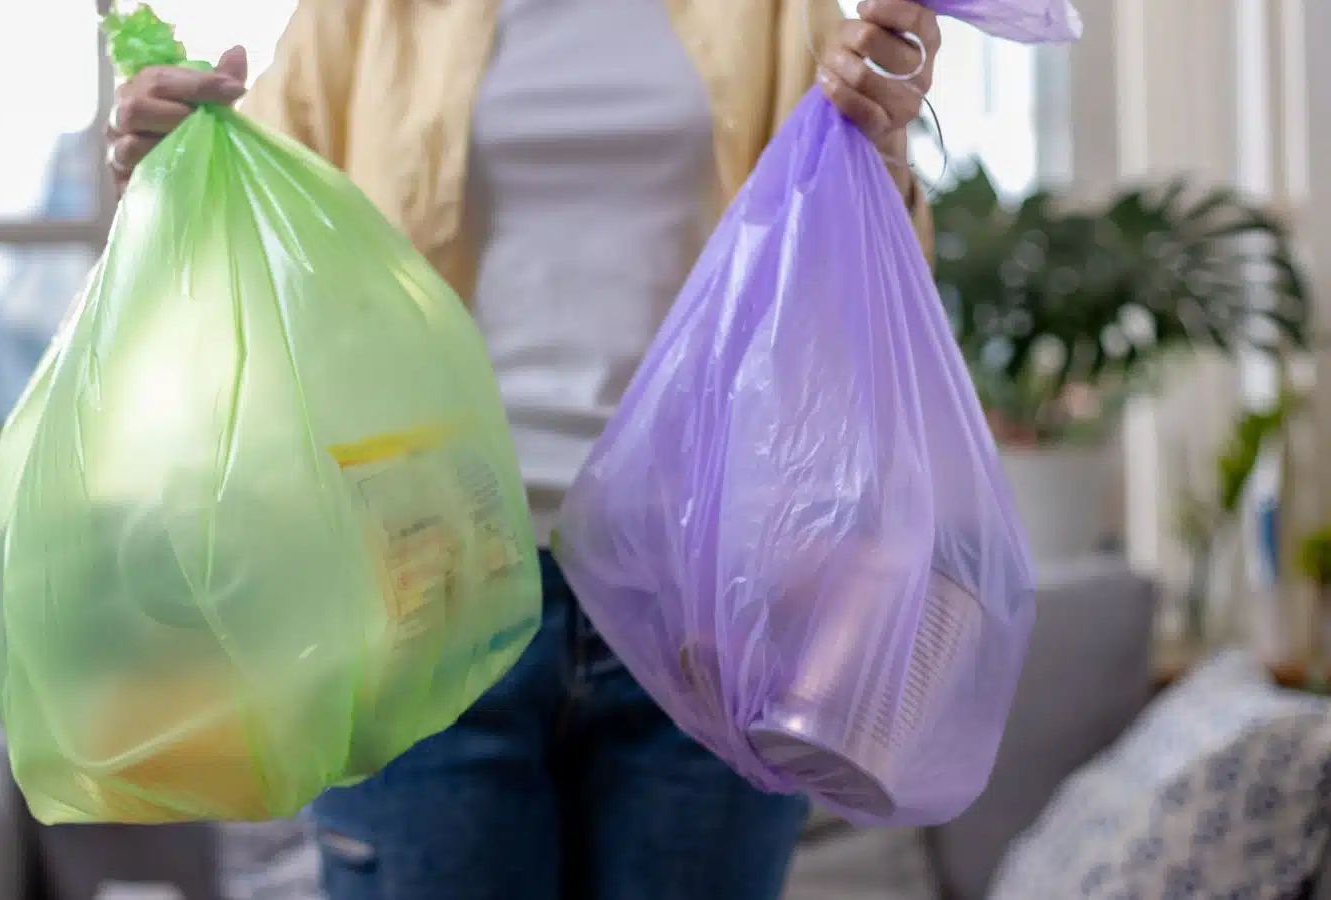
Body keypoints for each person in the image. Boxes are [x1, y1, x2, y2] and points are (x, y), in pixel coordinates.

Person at [106, 1, 941, 898]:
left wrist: (881, 147)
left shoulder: (777, 9)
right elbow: (247, 250)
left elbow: (864, 289)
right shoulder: (366, 15)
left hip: (709, 602)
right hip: (421, 593)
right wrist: (173, 173)